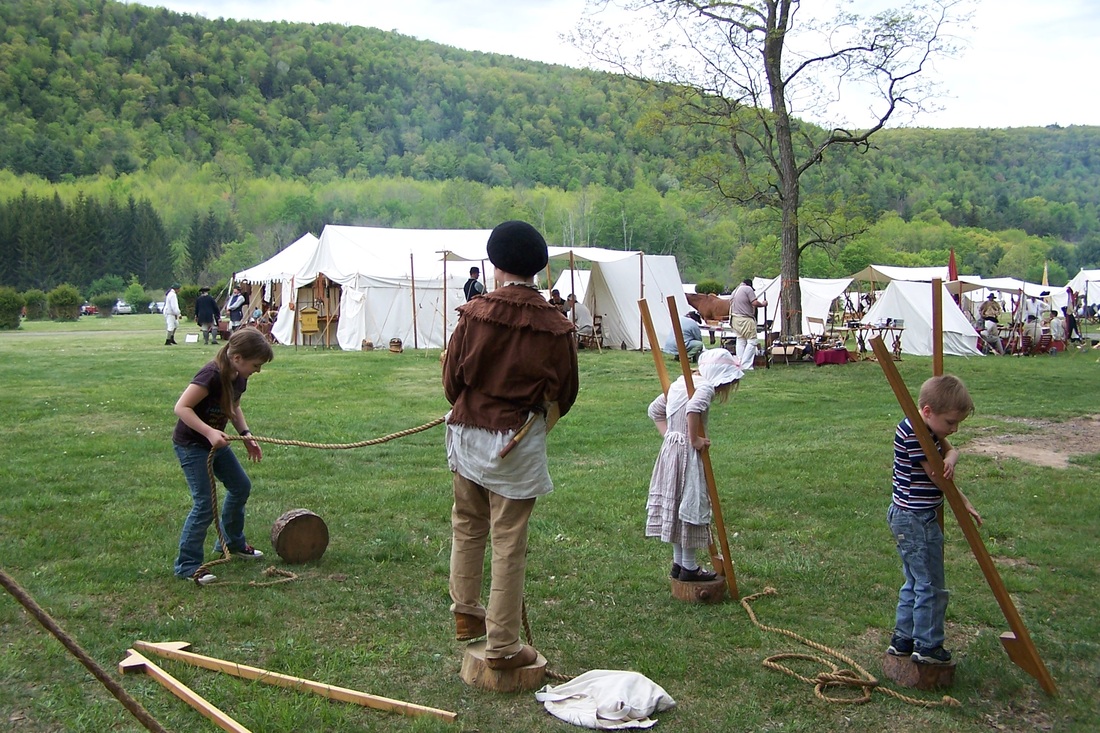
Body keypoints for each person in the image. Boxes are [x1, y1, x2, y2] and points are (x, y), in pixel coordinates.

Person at [443, 220, 579, 670]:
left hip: (467, 430)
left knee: (468, 524)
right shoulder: (556, 326)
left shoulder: (473, 312)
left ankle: (467, 613)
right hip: (516, 441)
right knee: (508, 540)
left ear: (496, 265)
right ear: (537, 269)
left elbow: (452, 382)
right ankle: (501, 644)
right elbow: (567, 393)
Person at [886, 374, 981, 665]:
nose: (953, 429)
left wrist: (952, 455)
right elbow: (938, 475)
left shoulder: (921, 426)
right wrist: (960, 493)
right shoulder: (916, 434)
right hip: (916, 520)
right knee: (930, 584)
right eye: (951, 423)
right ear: (928, 411)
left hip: (908, 516)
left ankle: (904, 639)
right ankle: (927, 645)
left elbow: (949, 452)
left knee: (915, 580)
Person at [172, 329, 274, 585]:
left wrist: (246, 434)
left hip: (215, 443)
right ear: (237, 357)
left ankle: (231, 542)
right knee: (205, 504)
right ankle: (187, 565)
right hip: (192, 444)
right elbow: (181, 407)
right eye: (256, 365)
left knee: (240, 486)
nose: (258, 370)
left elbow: (234, 406)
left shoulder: (239, 376)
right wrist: (208, 432)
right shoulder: (211, 375)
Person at [645, 348, 743, 582]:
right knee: (689, 503)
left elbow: (654, 410)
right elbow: (693, 408)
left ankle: (679, 563)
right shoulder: (704, 386)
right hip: (687, 454)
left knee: (677, 503)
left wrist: (671, 435)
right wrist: (693, 439)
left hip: (671, 450)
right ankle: (688, 566)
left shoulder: (681, 383)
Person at [728, 278, 766, 370]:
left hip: (734, 318)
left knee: (741, 340)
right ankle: (746, 365)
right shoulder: (747, 289)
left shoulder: (735, 290)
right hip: (745, 319)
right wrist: (763, 304)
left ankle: (739, 362)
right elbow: (754, 302)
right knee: (752, 341)